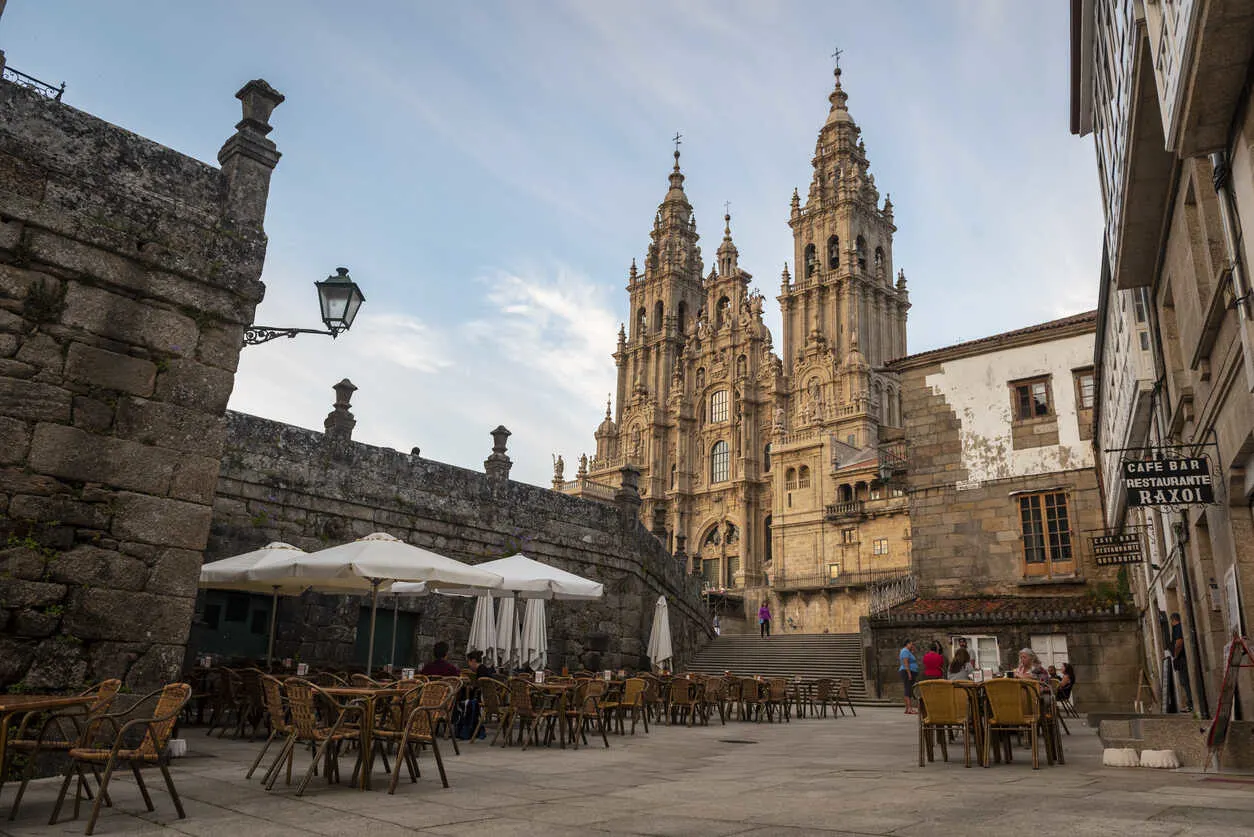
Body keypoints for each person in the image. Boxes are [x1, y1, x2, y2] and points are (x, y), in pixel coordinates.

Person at [1170, 612, 1193, 712]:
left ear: (1173, 620)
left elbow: (1179, 642)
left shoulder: (1177, 628)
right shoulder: (1179, 627)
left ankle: (1190, 704)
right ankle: (1190, 702)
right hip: (1183, 658)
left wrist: (1175, 655)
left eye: (1171, 621)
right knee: (1185, 681)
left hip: (1182, 658)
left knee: (1184, 681)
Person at [899, 640, 919, 713]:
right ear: (907, 644)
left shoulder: (908, 651)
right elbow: (906, 662)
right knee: (908, 689)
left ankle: (908, 708)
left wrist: (912, 650)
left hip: (909, 671)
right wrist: (909, 673)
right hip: (907, 671)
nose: (912, 645)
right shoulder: (905, 651)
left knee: (909, 689)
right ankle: (909, 708)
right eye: (911, 644)